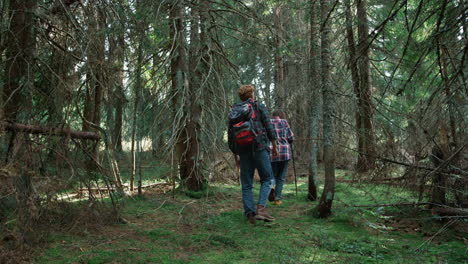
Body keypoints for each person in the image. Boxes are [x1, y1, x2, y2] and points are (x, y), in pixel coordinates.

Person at [228, 84, 278, 225]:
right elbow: (269, 127)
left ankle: (249, 213)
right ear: (252, 94)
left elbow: (231, 136)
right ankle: (261, 209)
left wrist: (235, 155)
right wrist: (274, 146)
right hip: (260, 147)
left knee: (246, 184)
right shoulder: (258, 106)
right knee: (267, 178)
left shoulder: (234, 111)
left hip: (243, 150)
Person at [268, 110, 294, 206]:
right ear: (281, 116)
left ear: (273, 116)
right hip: (284, 153)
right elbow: (291, 137)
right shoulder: (284, 122)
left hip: (272, 152)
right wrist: (289, 141)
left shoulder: (268, 123)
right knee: (281, 178)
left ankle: (271, 188)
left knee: (272, 176)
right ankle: (277, 199)